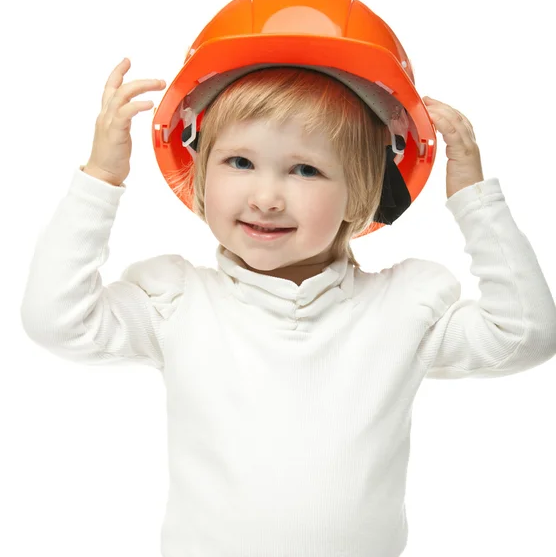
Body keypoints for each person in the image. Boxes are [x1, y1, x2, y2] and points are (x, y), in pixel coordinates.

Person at [20, 55, 556, 557]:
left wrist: (474, 198)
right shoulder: (180, 304)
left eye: (305, 170)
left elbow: (525, 334)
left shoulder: (400, 312)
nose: (266, 197)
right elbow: (56, 319)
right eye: (240, 161)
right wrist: (100, 179)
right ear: (201, 174)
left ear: (362, 192)